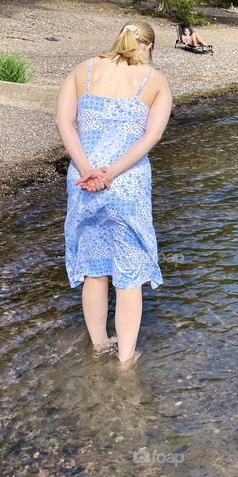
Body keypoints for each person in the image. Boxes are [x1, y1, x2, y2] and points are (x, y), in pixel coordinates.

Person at [55, 20, 172, 370]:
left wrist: (88, 168)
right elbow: (150, 138)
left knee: (94, 268)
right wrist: (111, 173)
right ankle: (125, 361)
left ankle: (99, 346)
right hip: (127, 183)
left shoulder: (82, 70)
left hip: (83, 180)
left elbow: (64, 122)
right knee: (130, 272)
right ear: (148, 46)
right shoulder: (155, 81)